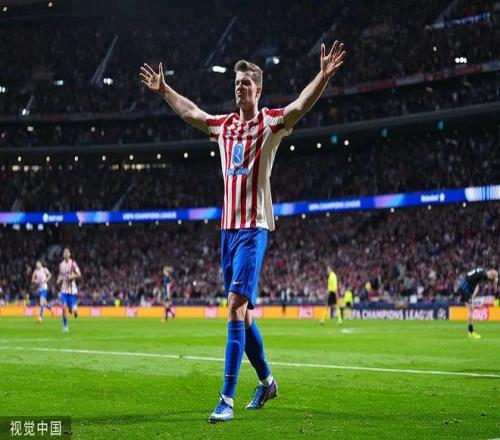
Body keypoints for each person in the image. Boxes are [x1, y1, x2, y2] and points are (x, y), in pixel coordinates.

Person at [140, 40, 346, 423]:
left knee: (234, 306)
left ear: (259, 89)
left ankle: (226, 398)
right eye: (236, 83)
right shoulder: (224, 127)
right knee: (244, 315)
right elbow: (192, 112)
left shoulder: (268, 123)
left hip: (253, 228)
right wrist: (165, 90)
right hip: (227, 232)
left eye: (246, 83)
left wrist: (322, 76)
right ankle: (267, 382)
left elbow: (300, 106)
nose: (240, 88)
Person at [457, 267, 498, 339]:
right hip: (465, 288)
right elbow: (478, 288)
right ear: (491, 276)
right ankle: (471, 332)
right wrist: (473, 298)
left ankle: (470, 332)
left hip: (463, 284)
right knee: (470, 310)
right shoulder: (484, 276)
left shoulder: (482, 270)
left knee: (470, 310)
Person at [56, 248, 81, 333]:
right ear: (63, 255)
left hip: (72, 290)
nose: (66, 254)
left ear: (70, 254)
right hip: (63, 290)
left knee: (71, 308)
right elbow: (60, 274)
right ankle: (65, 326)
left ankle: (74, 310)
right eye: (65, 253)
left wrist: (72, 276)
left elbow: (79, 274)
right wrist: (58, 280)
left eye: (67, 252)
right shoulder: (61, 265)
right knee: (64, 307)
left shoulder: (73, 263)